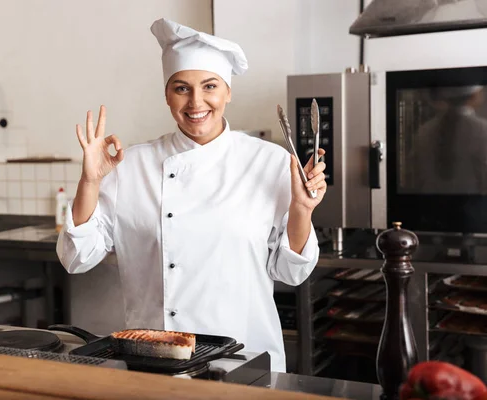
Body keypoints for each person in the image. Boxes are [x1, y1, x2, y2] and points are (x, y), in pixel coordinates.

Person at [56, 18, 327, 372]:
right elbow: (76, 258)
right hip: (154, 360)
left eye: (210, 86)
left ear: (228, 91)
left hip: (245, 357)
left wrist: (302, 210)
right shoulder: (130, 165)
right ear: (167, 95)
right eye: (181, 88)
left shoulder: (269, 161)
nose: (196, 102)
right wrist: (89, 181)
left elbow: (291, 273)